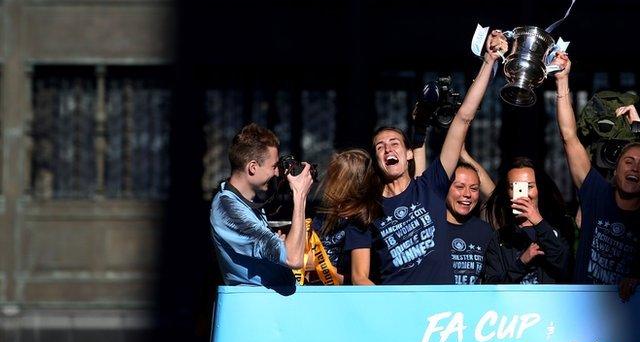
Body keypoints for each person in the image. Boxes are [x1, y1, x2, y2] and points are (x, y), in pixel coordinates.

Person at [371, 29, 508, 284]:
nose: (388, 149)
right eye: (380, 146)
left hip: (438, 313)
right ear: (376, 159)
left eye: (394, 143)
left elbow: (463, 119)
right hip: (396, 312)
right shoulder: (369, 207)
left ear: (409, 153)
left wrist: (489, 62)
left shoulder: (430, 188)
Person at [551, 52, 640, 299]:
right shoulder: (596, 193)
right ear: (616, 170)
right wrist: (562, 81)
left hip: (630, 322)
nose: (634, 168)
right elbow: (569, 136)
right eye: (628, 162)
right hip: (583, 311)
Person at [210, 123, 313, 288]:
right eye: (273, 166)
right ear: (252, 167)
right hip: (254, 307)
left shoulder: (250, 203)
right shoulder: (227, 209)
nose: (277, 173)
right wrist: (300, 195)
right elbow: (293, 258)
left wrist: (278, 247)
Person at [482, 158, 573, 284]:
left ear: (538, 189)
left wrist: (539, 222)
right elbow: (492, 285)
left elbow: (565, 266)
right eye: (515, 187)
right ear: (507, 192)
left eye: (529, 186)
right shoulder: (500, 238)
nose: (523, 195)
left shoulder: (558, 228)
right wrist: (521, 263)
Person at [308, 148, 382, 285]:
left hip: (342, 297)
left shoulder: (360, 223)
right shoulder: (323, 217)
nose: (327, 181)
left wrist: (319, 266)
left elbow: (357, 279)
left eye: (333, 176)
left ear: (345, 183)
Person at [444, 162, 493, 284]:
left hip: (474, 302)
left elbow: (497, 202)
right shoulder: (430, 227)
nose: (467, 194)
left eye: (474, 188)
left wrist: (464, 154)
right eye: (459, 187)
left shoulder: (485, 231)